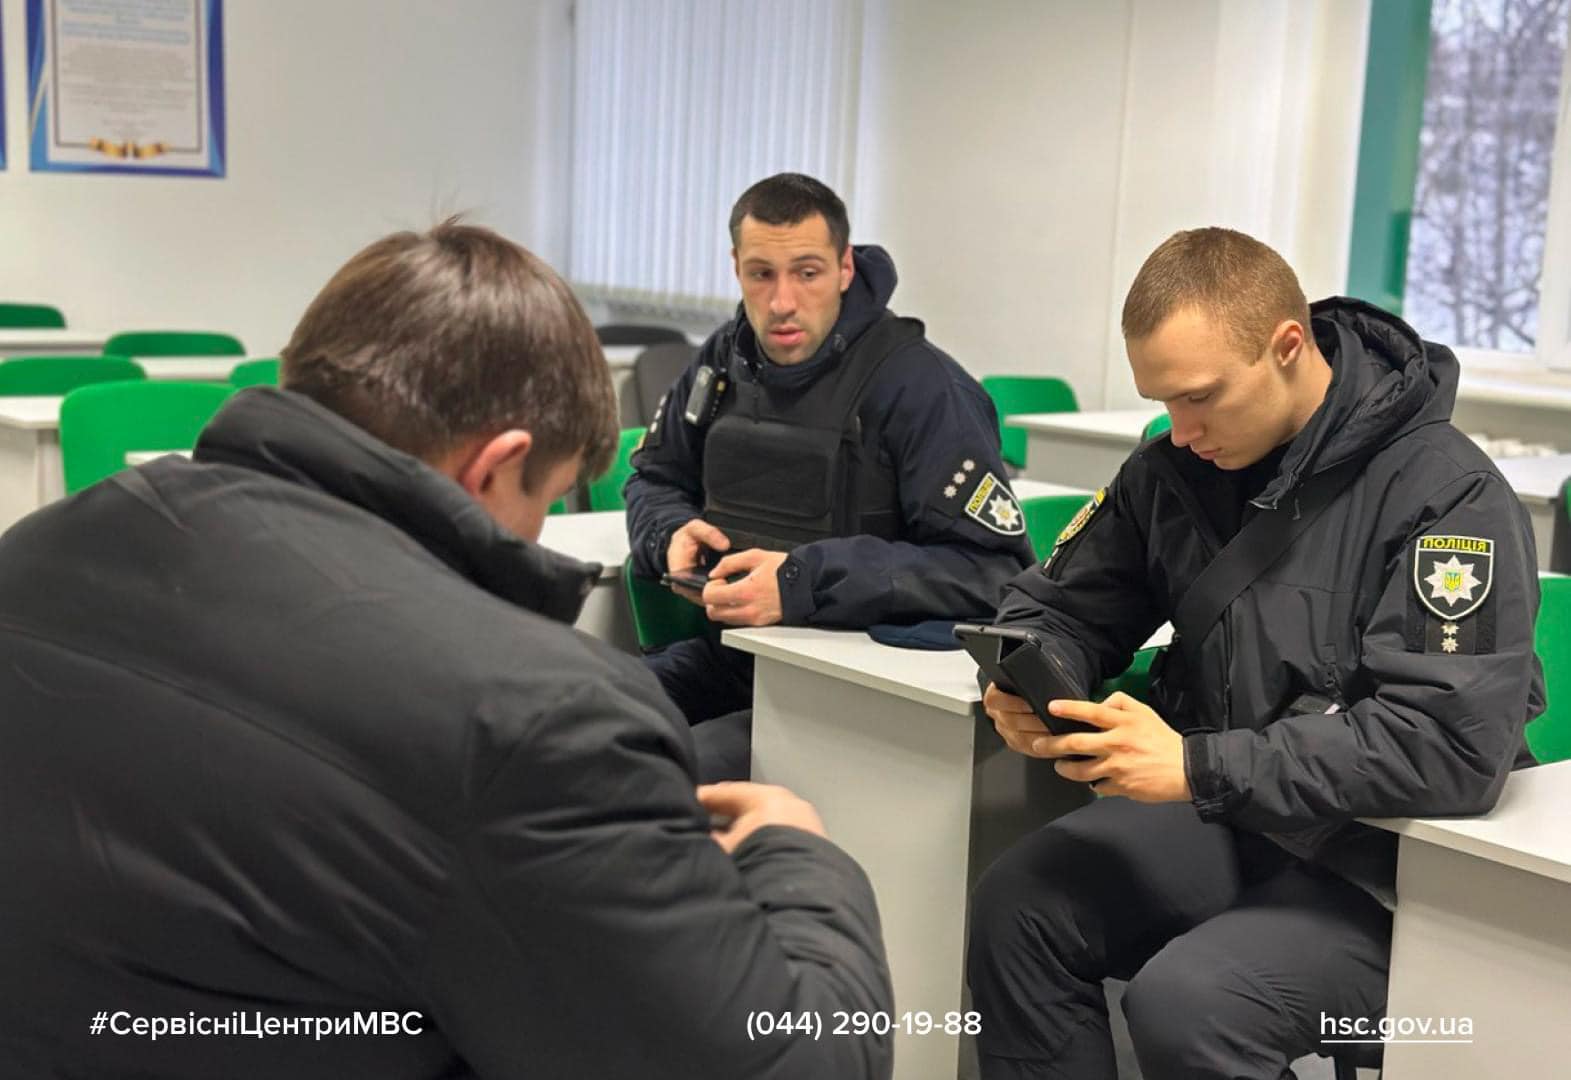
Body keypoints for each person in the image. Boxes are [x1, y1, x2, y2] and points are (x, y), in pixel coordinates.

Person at [0, 221, 894, 1079]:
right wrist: (796, 855)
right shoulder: (532, 715)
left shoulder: (40, 546)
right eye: (545, 496)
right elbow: (796, 1062)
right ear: (494, 467)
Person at [966, 227, 1544, 1079]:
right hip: (1242, 821)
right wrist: (1034, 673)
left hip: (1394, 866)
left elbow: (1446, 746)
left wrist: (1198, 767)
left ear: (1287, 346)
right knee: (1016, 907)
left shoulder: (1448, 496)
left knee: (1190, 1003)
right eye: (1161, 401)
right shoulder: (1172, 473)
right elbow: (1059, 606)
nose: (1179, 429)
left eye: (1199, 397)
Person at [625, 173, 1034, 777]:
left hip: (856, 694)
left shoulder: (921, 388)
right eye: (761, 274)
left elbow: (992, 573)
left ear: (845, 268)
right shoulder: (724, 359)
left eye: (807, 273)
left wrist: (803, 582)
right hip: (735, 660)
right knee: (575, 723)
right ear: (736, 267)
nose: (781, 302)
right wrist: (669, 531)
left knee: (665, 777)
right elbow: (653, 478)